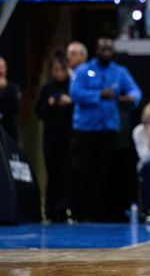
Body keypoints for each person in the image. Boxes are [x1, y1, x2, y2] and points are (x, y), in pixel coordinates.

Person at [69, 38, 142, 221]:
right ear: (96, 50)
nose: (106, 53)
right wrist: (98, 94)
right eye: (103, 49)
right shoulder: (83, 70)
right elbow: (75, 93)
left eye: (109, 49)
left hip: (108, 130)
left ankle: (100, 213)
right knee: (81, 171)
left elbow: (135, 91)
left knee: (103, 173)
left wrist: (131, 98)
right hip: (84, 130)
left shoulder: (119, 72)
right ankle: (79, 213)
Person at [35, 54, 73, 223]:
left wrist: (69, 103)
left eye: (61, 69)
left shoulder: (73, 85)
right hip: (51, 136)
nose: (58, 73)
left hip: (68, 136)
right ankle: (50, 211)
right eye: (55, 69)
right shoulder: (47, 87)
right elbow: (39, 111)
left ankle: (64, 209)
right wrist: (50, 103)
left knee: (66, 173)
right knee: (52, 173)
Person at [0, 56, 21, 142]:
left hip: (9, 130)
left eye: (3, 67)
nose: (1, 70)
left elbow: (15, 107)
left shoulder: (13, 87)